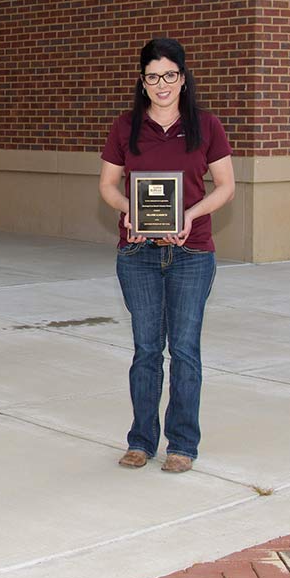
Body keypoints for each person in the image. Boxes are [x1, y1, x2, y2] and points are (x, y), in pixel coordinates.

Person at [98, 38, 234, 473]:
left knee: (186, 350)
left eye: (170, 75)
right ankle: (140, 441)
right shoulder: (125, 127)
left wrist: (190, 215)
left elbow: (227, 187)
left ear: (183, 79)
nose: (162, 84)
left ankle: (182, 445)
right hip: (137, 252)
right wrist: (131, 212)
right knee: (146, 349)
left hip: (192, 254)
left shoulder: (207, 126)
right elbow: (107, 187)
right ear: (142, 82)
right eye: (153, 76)